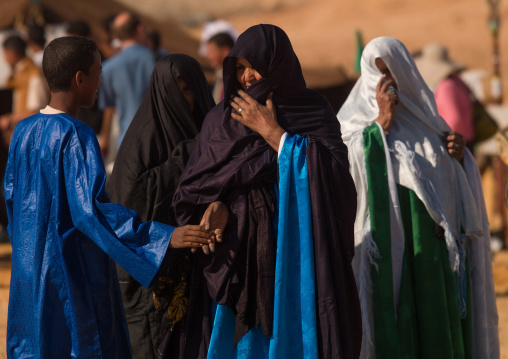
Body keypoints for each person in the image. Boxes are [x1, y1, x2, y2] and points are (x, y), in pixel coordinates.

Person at [5, 36, 217, 358]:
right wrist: (163, 237)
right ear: (80, 79)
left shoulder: (23, 131)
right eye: (97, 73)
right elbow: (91, 213)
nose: (100, 82)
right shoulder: (76, 135)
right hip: (70, 275)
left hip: (28, 273)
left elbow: (11, 199)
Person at [172, 24, 361, 359]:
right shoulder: (221, 120)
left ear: (278, 63)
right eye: (240, 68)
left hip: (297, 248)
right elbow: (197, 186)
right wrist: (216, 206)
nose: (247, 77)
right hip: (239, 253)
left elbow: (337, 180)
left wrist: (275, 134)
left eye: (254, 66)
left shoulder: (312, 110)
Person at [337, 37, 499, 358]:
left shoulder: (430, 127)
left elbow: (450, 186)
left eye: (393, 72)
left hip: (429, 257)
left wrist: (460, 158)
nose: (388, 82)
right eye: (379, 72)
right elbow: (341, 168)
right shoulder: (353, 125)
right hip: (386, 254)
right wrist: (379, 126)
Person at [108, 54, 215, 359]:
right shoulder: (142, 142)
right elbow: (125, 207)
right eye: (175, 90)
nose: (182, 99)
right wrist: (188, 155)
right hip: (153, 278)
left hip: (203, 272)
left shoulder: (211, 133)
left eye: (188, 90)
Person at [98, 11, 155, 158]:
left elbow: (109, 107)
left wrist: (104, 138)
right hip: (156, 139)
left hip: (125, 141)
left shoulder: (109, 68)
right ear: (139, 29)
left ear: (116, 36)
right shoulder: (155, 60)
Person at [415, 43, 475, 150]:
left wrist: (442, 141)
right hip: (465, 141)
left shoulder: (446, 86)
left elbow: (454, 119)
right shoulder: (457, 81)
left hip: (456, 145)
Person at [0, 35, 49, 139]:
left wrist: (9, 119)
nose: (5, 58)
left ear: (12, 53)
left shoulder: (34, 75)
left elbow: (37, 112)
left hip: (32, 136)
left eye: (5, 54)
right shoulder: (17, 76)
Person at [205, 32, 235, 104]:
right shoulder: (219, 75)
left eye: (211, 51)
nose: (208, 56)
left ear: (225, 51)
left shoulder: (235, 78)